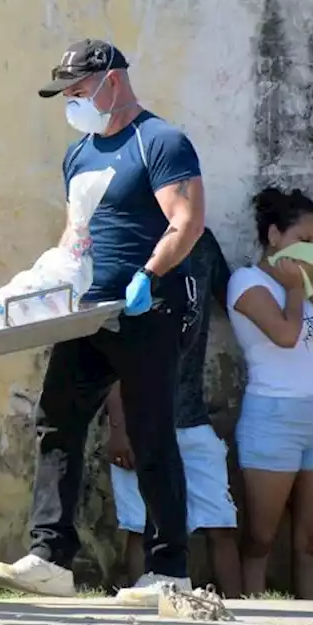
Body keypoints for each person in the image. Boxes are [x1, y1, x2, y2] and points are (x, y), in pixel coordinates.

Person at [0, 39, 204, 606]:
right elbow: (74, 233)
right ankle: (51, 557)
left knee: (151, 430)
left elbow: (187, 221)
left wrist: (149, 276)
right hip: (87, 314)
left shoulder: (160, 141)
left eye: (79, 89)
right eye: (66, 93)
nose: (72, 101)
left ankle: (169, 570)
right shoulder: (78, 154)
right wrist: (54, 286)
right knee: (56, 419)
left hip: (149, 310)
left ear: (112, 80)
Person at [228, 187, 313, 599]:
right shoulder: (246, 281)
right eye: (304, 241)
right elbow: (285, 335)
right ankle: (251, 622)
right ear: (274, 236)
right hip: (272, 415)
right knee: (261, 538)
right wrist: (298, 292)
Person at [105, 227, 241, 598]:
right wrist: (118, 428)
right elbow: (113, 349)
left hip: (192, 418)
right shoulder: (128, 239)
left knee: (220, 524)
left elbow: (237, 301)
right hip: (139, 420)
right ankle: (141, 612)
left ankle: (240, 614)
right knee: (138, 527)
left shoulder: (203, 242)